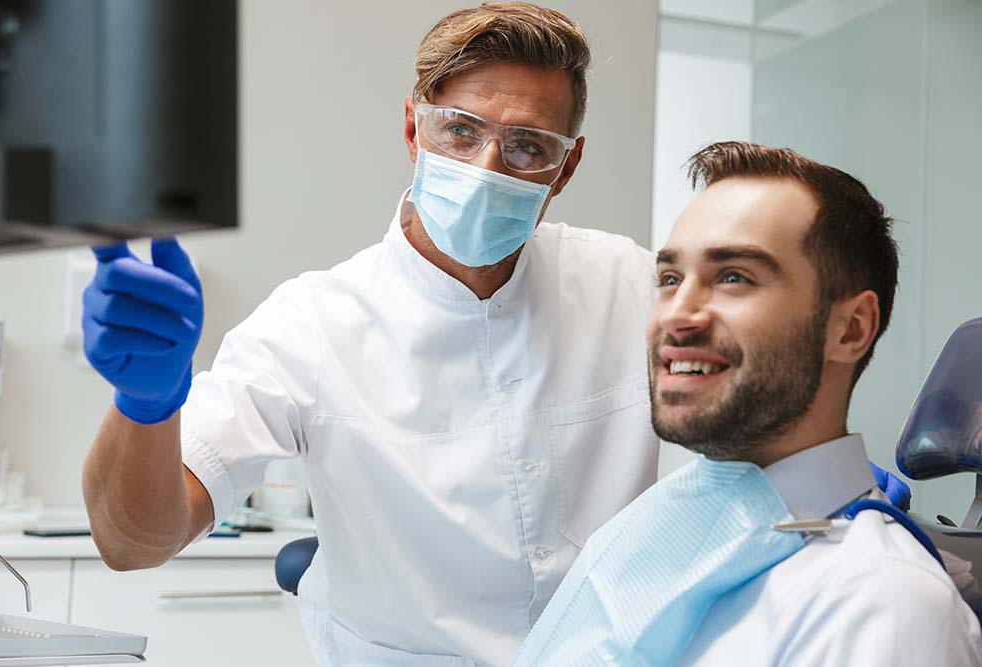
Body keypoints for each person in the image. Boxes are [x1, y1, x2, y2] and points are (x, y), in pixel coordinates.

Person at [79, 5, 907, 665]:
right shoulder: (312, 324)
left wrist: (820, 476)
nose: (484, 169)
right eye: (460, 132)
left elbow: (749, 382)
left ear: (566, 166)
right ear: (414, 129)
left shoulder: (626, 284)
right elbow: (133, 539)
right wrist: (145, 404)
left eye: (525, 148)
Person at [512, 142, 982, 666]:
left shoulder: (884, 606)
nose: (677, 315)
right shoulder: (658, 521)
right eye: (669, 279)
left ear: (849, 329)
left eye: (733, 277)